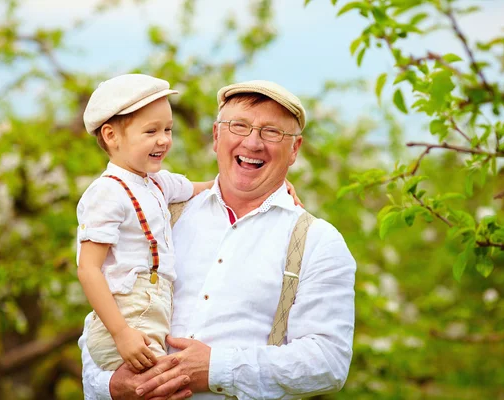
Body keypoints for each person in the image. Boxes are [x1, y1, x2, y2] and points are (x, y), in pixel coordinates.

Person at [79, 79, 356, 399]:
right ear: (215, 136)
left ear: (294, 149)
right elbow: (105, 317)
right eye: (239, 126)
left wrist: (216, 368)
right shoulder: (160, 212)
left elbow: (329, 362)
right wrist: (111, 387)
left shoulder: (318, 241)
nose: (253, 143)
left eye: (272, 132)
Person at [76, 74, 213, 373]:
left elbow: (212, 187)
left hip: (154, 310)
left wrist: (274, 188)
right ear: (111, 136)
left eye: (168, 129)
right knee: (165, 383)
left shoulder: (157, 183)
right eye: (151, 131)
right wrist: (121, 333)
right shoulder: (107, 191)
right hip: (128, 314)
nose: (163, 139)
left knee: (168, 383)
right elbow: (88, 269)